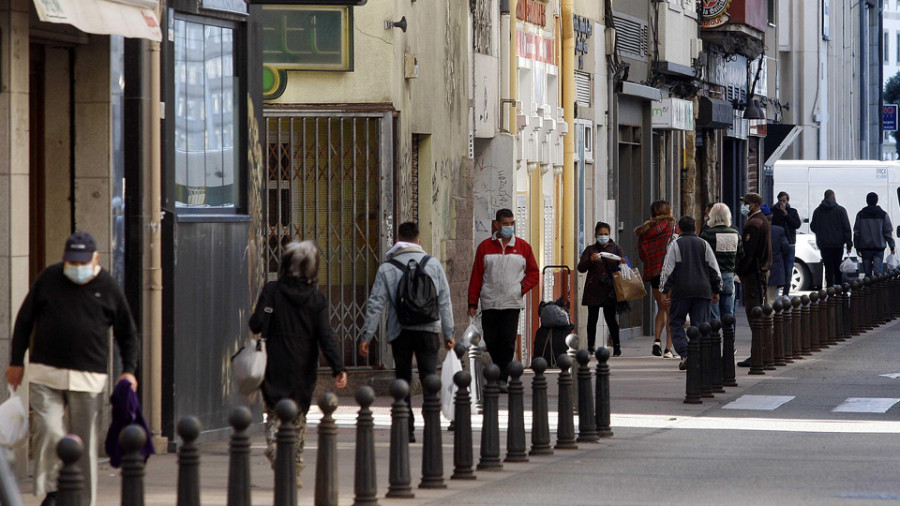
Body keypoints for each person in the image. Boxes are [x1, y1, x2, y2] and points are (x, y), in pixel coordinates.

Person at [6, 232, 139, 506]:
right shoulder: (48, 279)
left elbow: (128, 334)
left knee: (86, 443)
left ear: (96, 258)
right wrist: (17, 362)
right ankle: (53, 491)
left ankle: (82, 499)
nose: (77, 268)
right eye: (72, 262)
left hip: (88, 378)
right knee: (49, 430)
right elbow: (24, 321)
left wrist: (129, 370)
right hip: (46, 373)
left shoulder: (109, 286)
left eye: (82, 262)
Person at [250, 241, 348, 488]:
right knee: (299, 415)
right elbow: (325, 335)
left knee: (274, 411)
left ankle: (274, 446)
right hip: (303, 364)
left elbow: (255, 323)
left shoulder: (272, 290)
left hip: (274, 360)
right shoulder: (316, 299)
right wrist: (338, 368)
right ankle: (294, 465)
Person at [360, 222, 455, 441]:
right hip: (429, 330)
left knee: (402, 379)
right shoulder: (433, 265)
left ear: (397, 241)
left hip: (400, 330)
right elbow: (445, 301)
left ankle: (406, 428)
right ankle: (431, 426)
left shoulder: (387, 268)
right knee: (429, 378)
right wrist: (449, 334)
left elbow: (376, 304)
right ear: (418, 241)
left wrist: (367, 336)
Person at [468, 208, 540, 390]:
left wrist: (520, 289)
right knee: (492, 340)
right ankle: (497, 372)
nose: (509, 227)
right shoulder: (484, 247)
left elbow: (533, 273)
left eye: (511, 223)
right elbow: (477, 275)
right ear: (497, 224)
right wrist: (472, 302)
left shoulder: (523, 247)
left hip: (511, 302)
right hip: (490, 301)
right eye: (505, 223)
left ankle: (502, 378)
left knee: (507, 340)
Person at [659, 216, 722, 370]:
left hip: (682, 291)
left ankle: (686, 353)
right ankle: (700, 355)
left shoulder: (675, 245)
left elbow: (668, 270)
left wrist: (664, 291)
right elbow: (714, 269)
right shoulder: (704, 244)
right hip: (703, 290)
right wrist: (716, 290)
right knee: (701, 324)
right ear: (695, 228)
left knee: (675, 322)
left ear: (678, 228)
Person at [577, 221, 628, 356]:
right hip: (593, 289)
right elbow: (581, 268)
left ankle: (616, 346)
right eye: (601, 234)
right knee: (592, 320)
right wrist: (591, 260)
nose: (603, 236)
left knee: (611, 319)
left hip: (610, 290)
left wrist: (622, 262)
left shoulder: (616, 249)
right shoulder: (590, 250)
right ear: (595, 235)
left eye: (605, 234)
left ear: (609, 234)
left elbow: (624, 264)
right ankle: (590, 346)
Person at [636, 200, 678, 358]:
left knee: (661, 307)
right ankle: (668, 349)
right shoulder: (673, 227)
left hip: (653, 274)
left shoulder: (645, 231)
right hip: (670, 274)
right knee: (671, 311)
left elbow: (641, 255)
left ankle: (657, 341)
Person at [735, 193, 772, 368]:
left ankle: (758, 353)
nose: (744, 206)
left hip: (754, 274)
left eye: (746, 203)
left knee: (754, 314)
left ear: (755, 205)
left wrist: (740, 271)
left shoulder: (754, 224)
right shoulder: (760, 220)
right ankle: (760, 352)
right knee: (756, 313)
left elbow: (749, 254)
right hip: (758, 272)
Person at [700, 203, 742, 327]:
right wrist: (734, 269)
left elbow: (702, 257)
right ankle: (730, 343)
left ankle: (713, 343)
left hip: (711, 277)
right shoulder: (734, 233)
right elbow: (741, 254)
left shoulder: (707, 234)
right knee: (728, 313)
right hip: (729, 275)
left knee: (712, 314)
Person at [810, 189, 852, 286]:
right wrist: (849, 243)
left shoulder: (818, 211)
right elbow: (846, 228)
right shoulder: (840, 210)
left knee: (828, 269)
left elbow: (813, 227)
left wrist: (822, 233)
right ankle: (838, 288)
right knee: (838, 268)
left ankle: (829, 289)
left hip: (824, 245)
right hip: (838, 244)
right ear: (833, 197)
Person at [853, 192, 896, 277]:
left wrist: (857, 247)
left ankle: (868, 289)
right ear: (877, 201)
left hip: (865, 248)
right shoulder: (883, 215)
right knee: (878, 273)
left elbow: (857, 232)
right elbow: (888, 232)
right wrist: (892, 246)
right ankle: (877, 290)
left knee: (867, 274)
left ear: (867, 201)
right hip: (879, 248)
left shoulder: (860, 214)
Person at [771, 192, 802, 295]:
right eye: (780, 201)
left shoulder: (792, 211)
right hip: (778, 245)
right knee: (778, 269)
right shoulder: (774, 211)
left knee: (788, 269)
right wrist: (780, 213)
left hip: (790, 243)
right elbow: (773, 223)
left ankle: (786, 293)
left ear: (787, 201)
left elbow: (797, 224)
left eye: (784, 201)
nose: (782, 203)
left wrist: (786, 215)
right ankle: (776, 292)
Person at [765, 205, 791, 302]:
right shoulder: (778, 230)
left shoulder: (757, 228)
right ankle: (770, 316)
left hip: (760, 268)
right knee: (771, 298)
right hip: (775, 265)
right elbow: (786, 247)